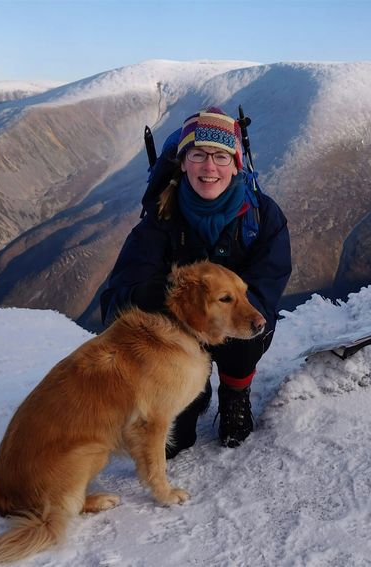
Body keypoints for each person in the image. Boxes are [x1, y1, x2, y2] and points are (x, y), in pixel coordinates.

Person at [101, 106, 292, 455]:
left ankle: (235, 393)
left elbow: (269, 280)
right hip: (179, 338)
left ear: (236, 164)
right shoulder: (160, 220)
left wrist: (224, 314)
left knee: (248, 323)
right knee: (176, 442)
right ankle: (194, 388)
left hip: (230, 329)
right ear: (183, 162)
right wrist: (178, 301)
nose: (209, 167)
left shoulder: (263, 217)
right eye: (199, 154)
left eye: (221, 156)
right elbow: (121, 295)